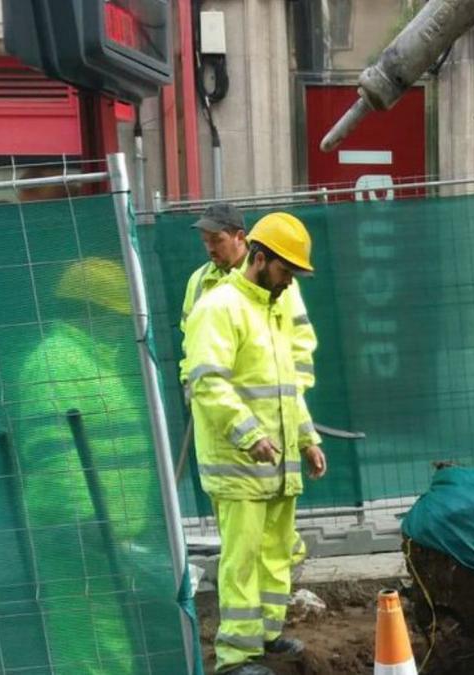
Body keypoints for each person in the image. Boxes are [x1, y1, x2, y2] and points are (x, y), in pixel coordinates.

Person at [183, 212, 327, 675]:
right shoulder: (219, 306)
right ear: (260, 259)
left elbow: (287, 389)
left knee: (275, 552)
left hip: (277, 461)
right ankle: (235, 657)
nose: (289, 283)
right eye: (286, 272)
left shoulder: (270, 308)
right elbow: (207, 383)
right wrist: (250, 435)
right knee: (242, 560)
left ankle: (266, 635)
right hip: (238, 462)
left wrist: (307, 439)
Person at [15, 257, 158, 673]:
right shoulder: (55, 365)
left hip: (102, 534)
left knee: (107, 641)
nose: (119, 327)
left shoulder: (93, 363)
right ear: (88, 312)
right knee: (91, 647)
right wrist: (86, 524)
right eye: (114, 316)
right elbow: (54, 456)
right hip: (77, 537)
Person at [180, 202, 318, 572]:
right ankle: (246, 630)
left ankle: (267, 630)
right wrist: (192, 381)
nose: (210, 248)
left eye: (218, 239)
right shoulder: (205, 288)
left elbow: (296, 352)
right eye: (206, 240)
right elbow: (195, 353)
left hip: (274, 429)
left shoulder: (277, 279)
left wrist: (292, 408)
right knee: (244, 550)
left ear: (242, 239)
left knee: (273, 549)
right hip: (234, 435)